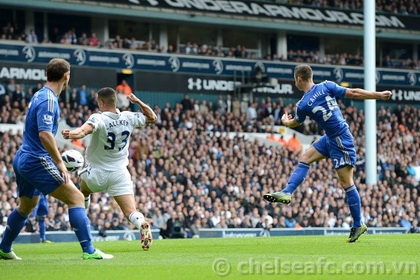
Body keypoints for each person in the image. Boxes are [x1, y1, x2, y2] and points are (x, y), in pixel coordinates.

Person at [263, 64, 392, 243]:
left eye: (295, 80)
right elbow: (353, 93)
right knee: (306, 157)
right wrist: (378, 95)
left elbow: (295, 124)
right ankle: (287, 192)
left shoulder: (303, 104)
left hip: (340, 140)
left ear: (299, 79)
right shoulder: (326, 85)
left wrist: (286, 122)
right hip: (332, 137)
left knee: (346, 183)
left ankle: (357, 224)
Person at [0, 58, 113, 260]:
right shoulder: (49, 99)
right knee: (77, 198)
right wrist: (59, 162)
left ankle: (4, 248)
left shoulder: (39, 94)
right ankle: (89, 251)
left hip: (23, 157)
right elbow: (44, 134)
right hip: (36, 159)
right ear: (66, 76)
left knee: (26, 207)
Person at [61, 87, 157, 250]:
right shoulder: (129, 117)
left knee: (83, 190)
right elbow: (152, 117)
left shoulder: (98, 118)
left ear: (102, 102)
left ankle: (82, 217)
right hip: (120, 173)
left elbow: (84, 131)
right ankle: (141, 223)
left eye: (99, 102)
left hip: (97, 173)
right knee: (130, 212)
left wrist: (71, 134)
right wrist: (138, 102)